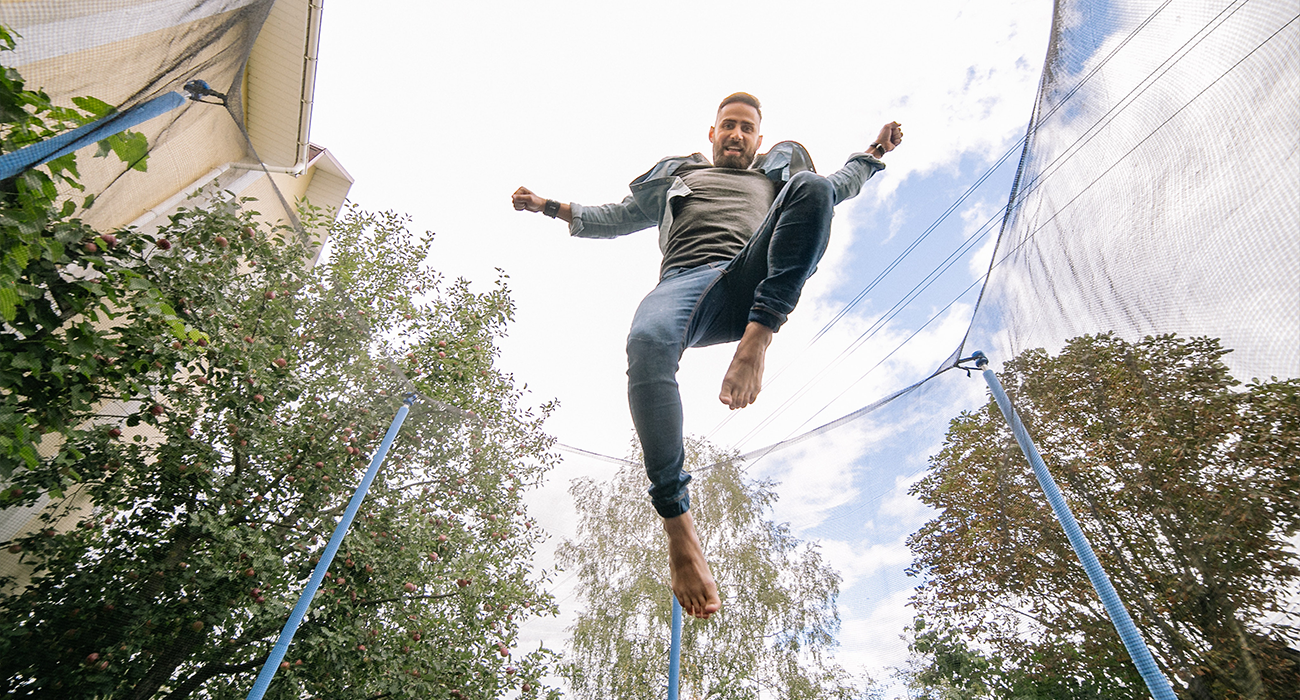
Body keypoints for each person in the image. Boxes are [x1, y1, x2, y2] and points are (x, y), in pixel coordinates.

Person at [513, 93, 902, 619]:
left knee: (812, 188)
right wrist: (548, 206)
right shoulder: (683, 179)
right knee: (647, 343)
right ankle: (678, 523)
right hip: (686, 286)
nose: (737, 135)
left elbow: (837, 186)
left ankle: (758, 338)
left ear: (759, 140)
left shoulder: (775, 177)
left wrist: (874, 152)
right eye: (728, 127)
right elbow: (618, 214)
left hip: (753, 277)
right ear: (713, 134)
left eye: (747, 129)